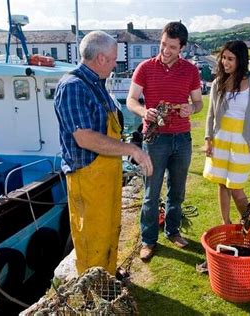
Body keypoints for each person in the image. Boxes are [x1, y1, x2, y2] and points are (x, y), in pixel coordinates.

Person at [54, 31, 153, 275]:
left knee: (110, 229)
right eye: (112, 59)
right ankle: (93, 288)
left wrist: (128, 144)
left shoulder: (97, 84)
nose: (115, 64)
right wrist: (131, 149)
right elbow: (85, 137)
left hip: (106, 174)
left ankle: (108, 274)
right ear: (100, 58)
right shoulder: (73, 87)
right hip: (87, 178)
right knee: (91, 235)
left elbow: (108, 129)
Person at [127, 22, 203, 261]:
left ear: (182, 47)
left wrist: (190, 108)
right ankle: (148, 240)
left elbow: (199, 103)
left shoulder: (191, 71)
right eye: (163, 44)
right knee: (151, 193)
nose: (165, 50)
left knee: (177, 191)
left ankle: (172, 231)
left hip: (182, 139)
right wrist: (143, 112)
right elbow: (131, 100)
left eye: (172, 46)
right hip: (155, 139)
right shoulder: (145, 68)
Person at [203, 40, 250, 225]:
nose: (225, 62)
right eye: (223, 58)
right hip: (220, 138)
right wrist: (208, 138)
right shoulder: (217, 82)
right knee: (222, 183)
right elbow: (211, 114)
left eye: (230, 58)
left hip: (242, 139)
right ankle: (226, 223)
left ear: (241, 60)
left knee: (236, 187)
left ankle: (246, 222)